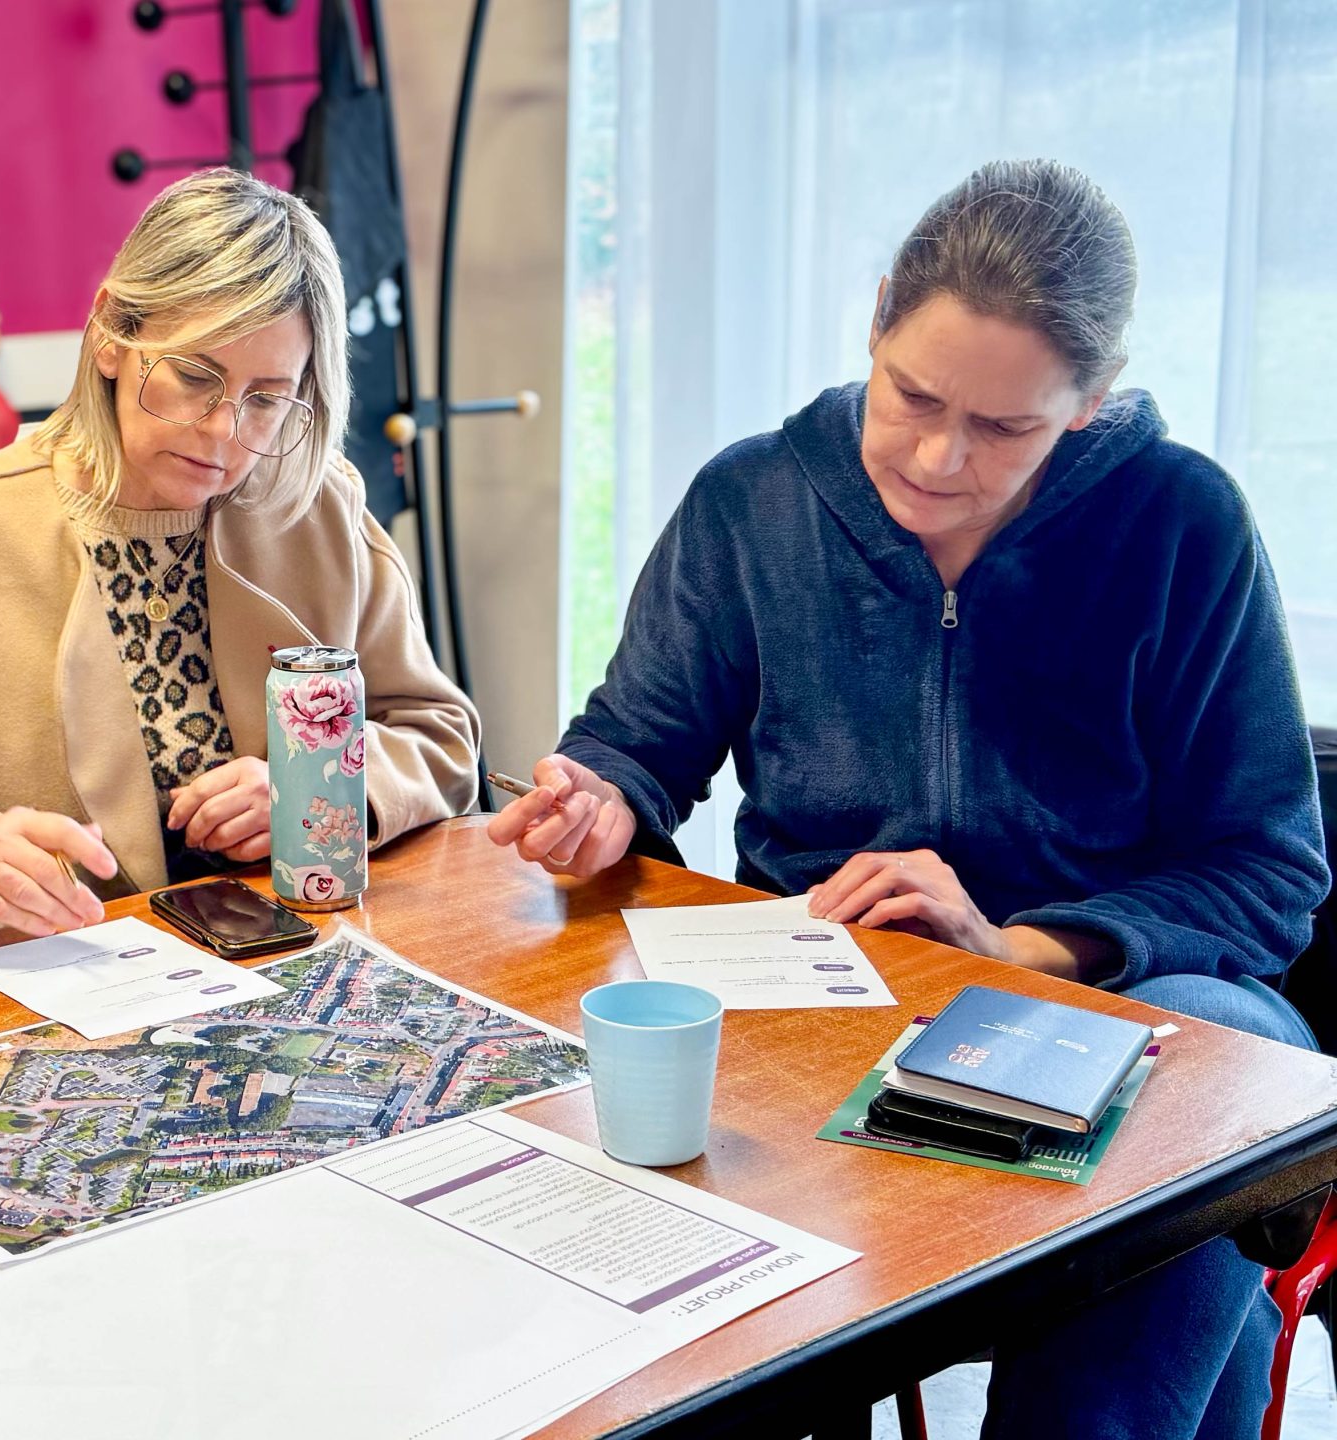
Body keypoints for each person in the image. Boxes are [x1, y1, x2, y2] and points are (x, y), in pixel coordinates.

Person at [490, 159, 1327, 1438]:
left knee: (1218, 1081)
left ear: (1092, 400)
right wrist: (599, 799)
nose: (938, 459)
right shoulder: (752, 500)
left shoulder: (1182, 524)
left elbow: (1267, 870)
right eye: (913, 397)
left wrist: (1018, 947)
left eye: (1004, 429)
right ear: (878, 316)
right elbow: (634, 745)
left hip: (1116, 1007)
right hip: (824, 1006)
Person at [0, 168, 480, 940]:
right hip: (61, 972)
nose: (223, 431)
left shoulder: (317, 506)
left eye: (268, 399)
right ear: (110, 334)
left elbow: (438, 737)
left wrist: (321, 787)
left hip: (293, 945)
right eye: (194, 376)